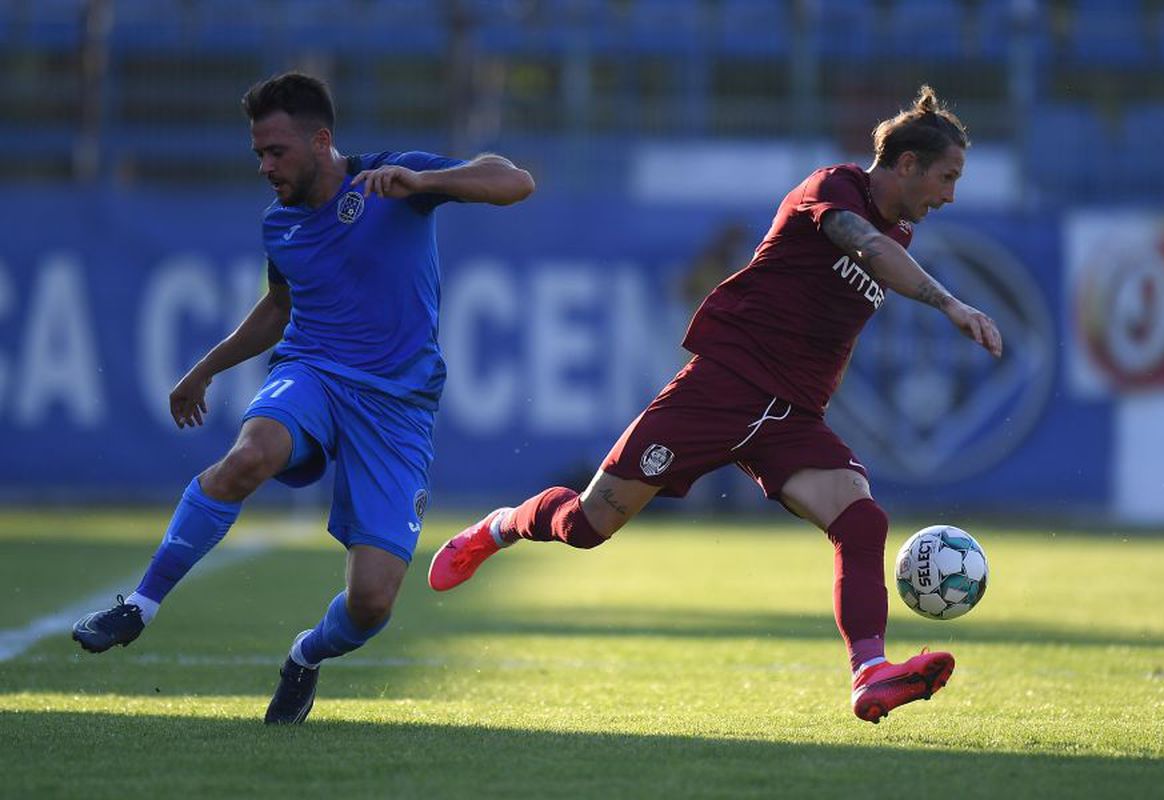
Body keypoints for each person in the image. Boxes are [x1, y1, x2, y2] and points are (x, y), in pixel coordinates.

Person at [428, 85, 1001, 724]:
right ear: (907, 165)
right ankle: (499, 527)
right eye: (946, 177)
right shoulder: (834, 190)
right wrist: (950, 302)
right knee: (587, 527)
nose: (949, 195)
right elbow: (861, 244)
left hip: (791, 418)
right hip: (722, 389)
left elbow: (876, 253)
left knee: (862, 522)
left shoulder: (899, 232)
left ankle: (870, 673)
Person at [71, 71, 535, 724]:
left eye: (276, 151)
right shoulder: (280, 225)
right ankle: (138, 606)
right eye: (258, 153)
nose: (265, 166)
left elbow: (514, 181)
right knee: (250, 455)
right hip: (313, 371)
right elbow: (282, 306)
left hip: (398, 406)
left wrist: (427, 183)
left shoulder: (393, 178)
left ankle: (304, 657)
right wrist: (205, 369)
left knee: (372, 603)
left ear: (321, 141)